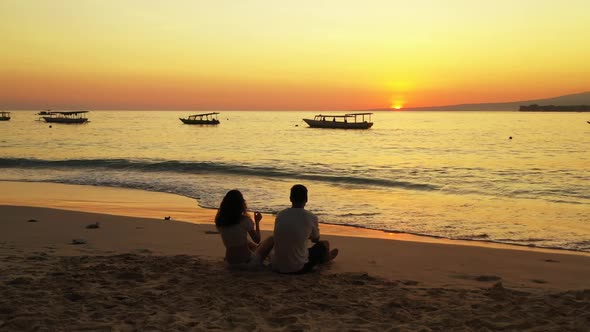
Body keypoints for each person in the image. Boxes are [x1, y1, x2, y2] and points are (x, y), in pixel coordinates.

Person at [272, 184, 338, 274]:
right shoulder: (310, 217)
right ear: (306, 200)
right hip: (298, 268)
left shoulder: (280, 214)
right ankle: (326, 259)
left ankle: (325, 257)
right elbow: (315, 239)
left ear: (290, 198)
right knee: (324, 244)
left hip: (277, 266)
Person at [215, 190, 273, 269]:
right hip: (247, 262)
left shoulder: (220, 220)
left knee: (245, 241)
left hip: (230, 263)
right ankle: (268, 256)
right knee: (271, 239)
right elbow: (257, 239)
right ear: (241, 204)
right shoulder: (244, 220)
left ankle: (258, 249)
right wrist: (257, 222)